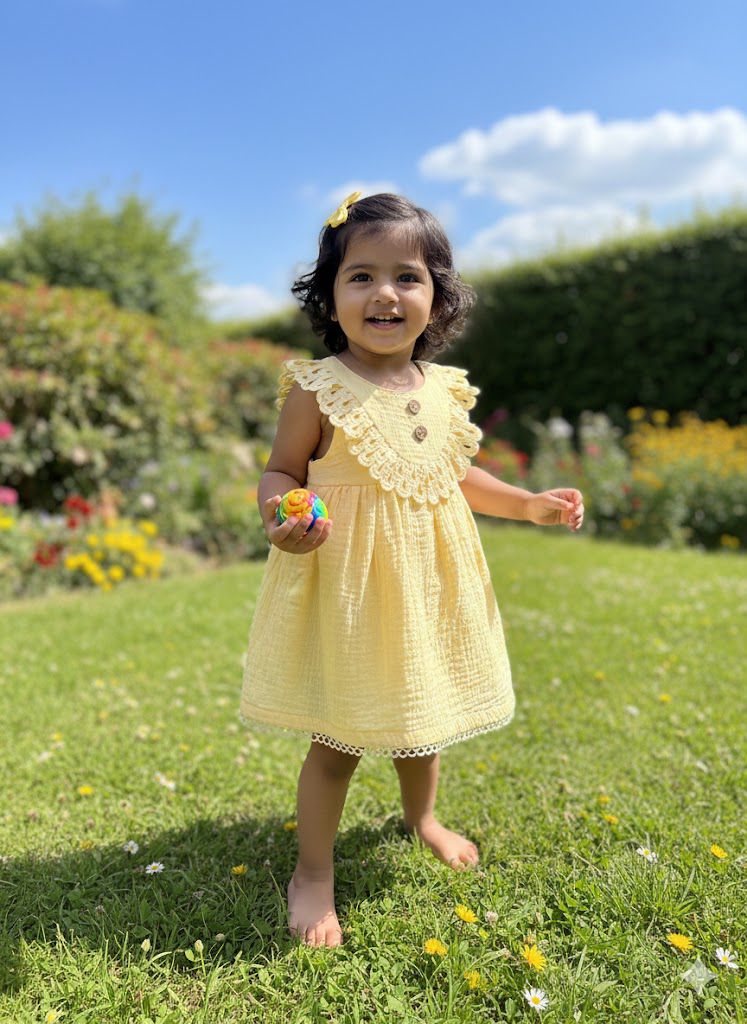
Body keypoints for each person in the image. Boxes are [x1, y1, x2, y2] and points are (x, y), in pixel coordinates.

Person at [240, 192, 584, 948]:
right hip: (352, 592)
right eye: (360, 276)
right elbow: (278, 471)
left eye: (407, 276)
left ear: (437, 296)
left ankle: (421, 815)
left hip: (426, 588)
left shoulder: (444, 390)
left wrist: (527, 503)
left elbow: (456, 475)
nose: (384, 293)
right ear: (329, 295)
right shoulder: (318, 387)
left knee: (421, 722)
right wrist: (281, 512)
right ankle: (314, 874)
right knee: (338, 741)